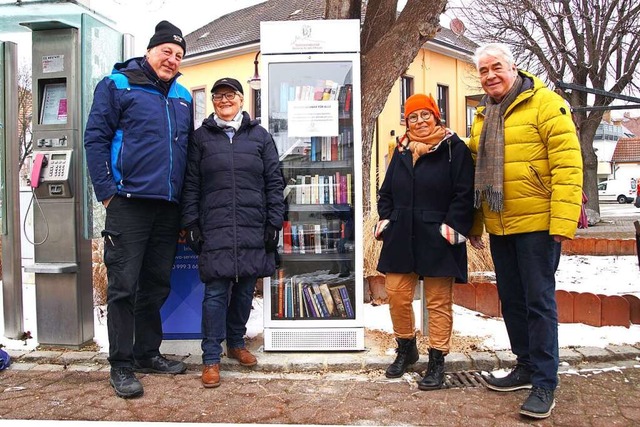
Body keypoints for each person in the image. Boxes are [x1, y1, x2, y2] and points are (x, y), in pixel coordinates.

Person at [467, 43, 583, 419]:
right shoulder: (484, 114)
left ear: (513, 67)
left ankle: (545, 381)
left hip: (537, 223)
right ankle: (525, 366)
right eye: (483, 71)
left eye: (495, 67)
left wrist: (563, 222)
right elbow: (475, 159)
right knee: (513, 300)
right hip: (501, 222)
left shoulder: (547, 104)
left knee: (539, 302)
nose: (490, 76)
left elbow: (568, 165)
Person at [84, 20, 192, 399]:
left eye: (179, 55)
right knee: (123, 287)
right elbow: (94, 139)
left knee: (157, 284)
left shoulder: (182, 96)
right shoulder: (118, 85)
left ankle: (147, 354)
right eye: (167, 51)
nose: (172, 60)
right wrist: (107, 193)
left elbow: (187, 152)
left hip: (166, 207)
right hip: (127, 204)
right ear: (151, 50)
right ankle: (121, 364)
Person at [181, 77, 285, 388]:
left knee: (244, 290)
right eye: (218, 96)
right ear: (212, 102)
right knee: (214, 294)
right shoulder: (200, 139)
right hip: (216, 227)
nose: (224, 100)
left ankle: (236, 343)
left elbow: (274, 182)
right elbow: (191, 185)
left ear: (241, 100)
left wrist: (273, 223)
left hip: (253, 225)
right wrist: (191, 225)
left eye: (230, 95)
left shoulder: (260, 137)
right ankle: (211, 357)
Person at [375, 93, 475, 390]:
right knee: (396, 293)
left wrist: (451, 228)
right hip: (401, 233)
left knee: (438, 302)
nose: (419, 121)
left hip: (438, 236)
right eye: (412, 117)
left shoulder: (454, 149)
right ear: (406, 121)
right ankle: (406, 348)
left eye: (425, 115)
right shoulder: (401, 150)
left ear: (436, 116)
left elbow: (464, 194)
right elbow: (386, 192)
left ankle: (437, 360)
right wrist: (388, 219)